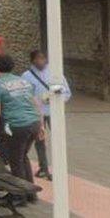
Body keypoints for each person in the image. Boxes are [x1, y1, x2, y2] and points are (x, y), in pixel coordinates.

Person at [0, 54, 45, 188]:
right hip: (34, 123)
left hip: (17, 125)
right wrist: (41, 124)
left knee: (15, 160)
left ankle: (20, 195)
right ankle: (30, 193)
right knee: (22, 155)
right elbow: (35, 103)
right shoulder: (24, 82)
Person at [21, 49, 71, 179]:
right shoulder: (26, 76)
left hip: (54, 112)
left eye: (43, 58)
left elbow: (67, 92)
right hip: (37, 113)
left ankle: (59, 167)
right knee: (39, 140)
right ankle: (44, 168)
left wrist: (55, 97)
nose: (41, 61)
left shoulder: (55, 73)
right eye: (38, 58)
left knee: (57, 140)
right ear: (32, 60)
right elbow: (24, 95)